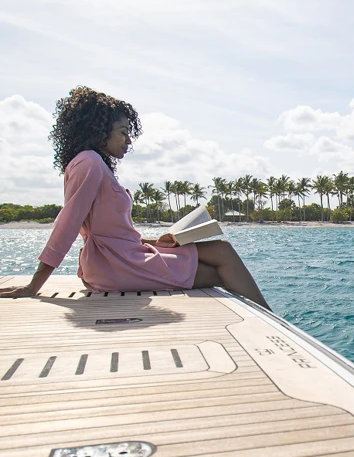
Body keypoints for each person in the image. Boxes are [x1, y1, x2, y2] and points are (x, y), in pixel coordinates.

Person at [0, 86, 270, 309]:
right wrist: (34, 286)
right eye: (123, 132)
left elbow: (112, 230)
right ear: (99, 131)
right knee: (220, 272)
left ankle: (271, 320)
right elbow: (67, 225)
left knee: (221, 249)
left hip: (123, 256)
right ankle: (272, 323)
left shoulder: (94, 164)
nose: (128, 140)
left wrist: (156, 241)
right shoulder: (90, 163)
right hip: (114, 265)